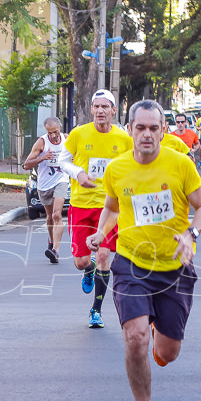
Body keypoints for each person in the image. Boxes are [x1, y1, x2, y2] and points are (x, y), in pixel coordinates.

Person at [87, 100, 201, 401]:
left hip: (174, 268)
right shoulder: (117, 169)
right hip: (131, 264)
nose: (146, 134)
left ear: (162, 130)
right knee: (135, 337)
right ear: (130, 130)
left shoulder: (180, 164)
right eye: (140, 128)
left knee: (167, 354)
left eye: (153, 128)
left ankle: (159, 330)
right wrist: (101, 232)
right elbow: (112, 207)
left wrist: (191, 233)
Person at [58, 89, 133, 328]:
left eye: (105, 107)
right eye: (96, 106)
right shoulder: (79, 134)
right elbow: (62, 161)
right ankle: (87, 271)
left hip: (109, 207)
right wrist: (78, 173)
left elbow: (132, 167)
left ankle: (95, 310)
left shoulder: (123, 139)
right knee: (81, 261)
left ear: (113, 110)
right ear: (91, 109)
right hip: (81, 205)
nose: (100, 111)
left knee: (103, 255)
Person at [23, 117, 67, 264]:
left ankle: (55, 250)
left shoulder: (67, 139)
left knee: (56, 214)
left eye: (55, 131)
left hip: (61, 180)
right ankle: (51, 239)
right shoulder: (42, 142)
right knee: (49, 217)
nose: (53, 135)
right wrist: (42, 157)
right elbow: (26, 165)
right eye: (50, 133)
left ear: (60, 127)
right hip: (44, 184)